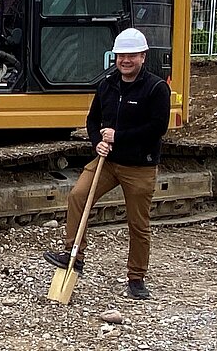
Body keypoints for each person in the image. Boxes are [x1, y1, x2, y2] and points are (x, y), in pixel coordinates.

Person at [43, 27, 170, 300]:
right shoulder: (107, 85)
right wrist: (96, 142)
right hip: (107, 162)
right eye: (121, 55)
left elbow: (158, 127)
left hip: (140, 167)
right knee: (78, 196)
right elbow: (92, 121)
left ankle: (136, 278)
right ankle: (73, 255)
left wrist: (119, 137)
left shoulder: (156, 88)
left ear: (143, 57)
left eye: (132, 55)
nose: (125, 60)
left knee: (138, 223)